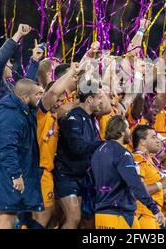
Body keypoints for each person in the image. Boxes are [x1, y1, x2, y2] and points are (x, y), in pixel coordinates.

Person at [0, 79, 44, 229]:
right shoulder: (11, 116)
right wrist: (15, 175)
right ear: (25, 98)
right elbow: (6, 148)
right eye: (38, 94)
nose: (41, 98)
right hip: (3, 175)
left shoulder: (20, 110)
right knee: (6, 217)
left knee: (3, 216)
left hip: (2, 174)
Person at [91, 115, 166, 229]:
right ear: (121, 132)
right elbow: (135, 184)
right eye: (127, 128)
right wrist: (154, 208)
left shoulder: (97, 152)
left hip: (101, 215)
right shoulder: (122, 153)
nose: (129, 132)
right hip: (119, 215)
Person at [32, 63, 81, 228]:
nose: (60, 103)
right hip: (37, 171)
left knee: (48, 219)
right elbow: (53, 91)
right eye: (58, 101)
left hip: (47, 173)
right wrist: (71, 72)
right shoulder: (41, 114)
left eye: (62, 101)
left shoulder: (54, 116)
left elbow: (71, 104)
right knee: (40, 220)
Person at [0, 24, 38, 162]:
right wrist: (17, 36)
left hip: (2, 147)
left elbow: (25, 91)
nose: (11, 65)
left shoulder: (9, 86)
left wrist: (34, 61)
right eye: (9, 62)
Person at [53, 79, 103, 229]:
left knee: (74, 219)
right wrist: (102, 144)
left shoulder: (90, 119)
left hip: (80, 175)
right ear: (89, 99)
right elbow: (77, 147)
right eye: (99, 97)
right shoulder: (73, 118)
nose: (101, 101)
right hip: (66, 175)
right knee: (73, 218)